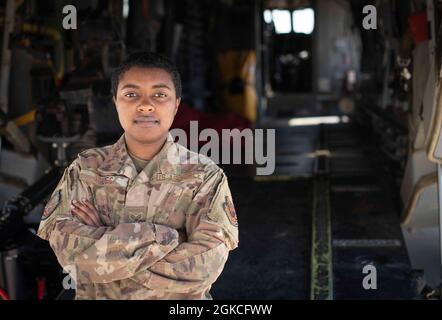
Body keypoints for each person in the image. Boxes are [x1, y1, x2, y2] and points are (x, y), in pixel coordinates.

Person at [36, 51, 239, 300]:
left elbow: (203, 268)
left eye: (159, 94)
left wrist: (104, 242)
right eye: (131, 94)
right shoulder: (86, 169)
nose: (145, 104)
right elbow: (69, 255)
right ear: (115, 102)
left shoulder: (204, 176)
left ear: (176, 104)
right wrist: (170, 238)